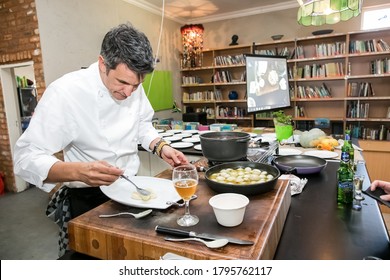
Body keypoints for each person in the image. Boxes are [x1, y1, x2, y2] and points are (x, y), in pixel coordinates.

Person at [13, 23, 189, 257]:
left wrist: (160, 146)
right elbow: (25, 157)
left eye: (137, 85)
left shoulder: (132, 86)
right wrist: (77, 171)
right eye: (123, 83)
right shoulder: (66, 92)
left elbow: (142, 124)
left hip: (131, 190)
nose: (129, 93)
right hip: (88, 200)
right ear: (102, 64)